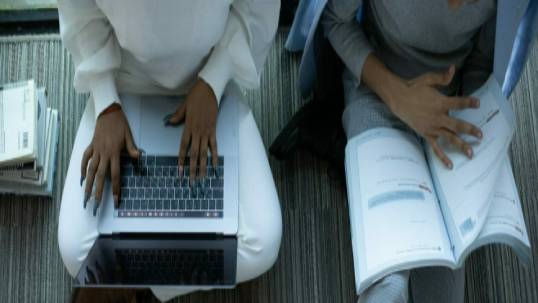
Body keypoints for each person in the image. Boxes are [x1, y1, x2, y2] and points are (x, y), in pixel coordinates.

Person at [56, 1, 282, 302]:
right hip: (124, 83)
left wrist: (213, 82)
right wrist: (106, 102)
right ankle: (136, 286)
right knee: (75, 252)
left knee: (263, 242)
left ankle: (133, 287)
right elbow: (80, 12)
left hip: (212, 75)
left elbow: (256, 7)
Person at [278, 0, 501, 302]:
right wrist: (400, 99)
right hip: (377, 94)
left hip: (449, 112)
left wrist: (474, 124)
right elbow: (335, 20)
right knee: (389, 282)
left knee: (444, 291)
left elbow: (481, 61)